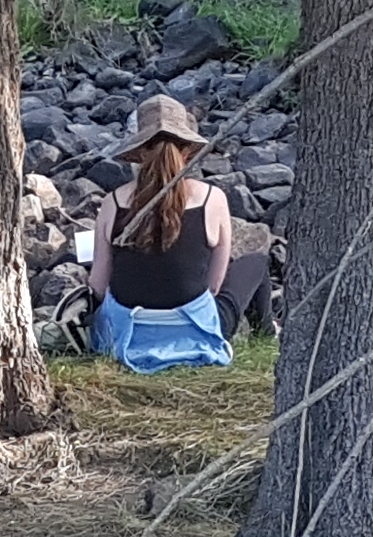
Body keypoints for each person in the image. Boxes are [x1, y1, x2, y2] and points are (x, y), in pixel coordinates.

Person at [75, 95, 261, 369]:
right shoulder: (213, 198)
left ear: (138, 152)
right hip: (191, 331)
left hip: (126, 337)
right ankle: (268, 333)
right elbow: (212, 287)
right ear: (188, 150)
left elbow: (99, 287)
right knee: (256, 263)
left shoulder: (114, 202)